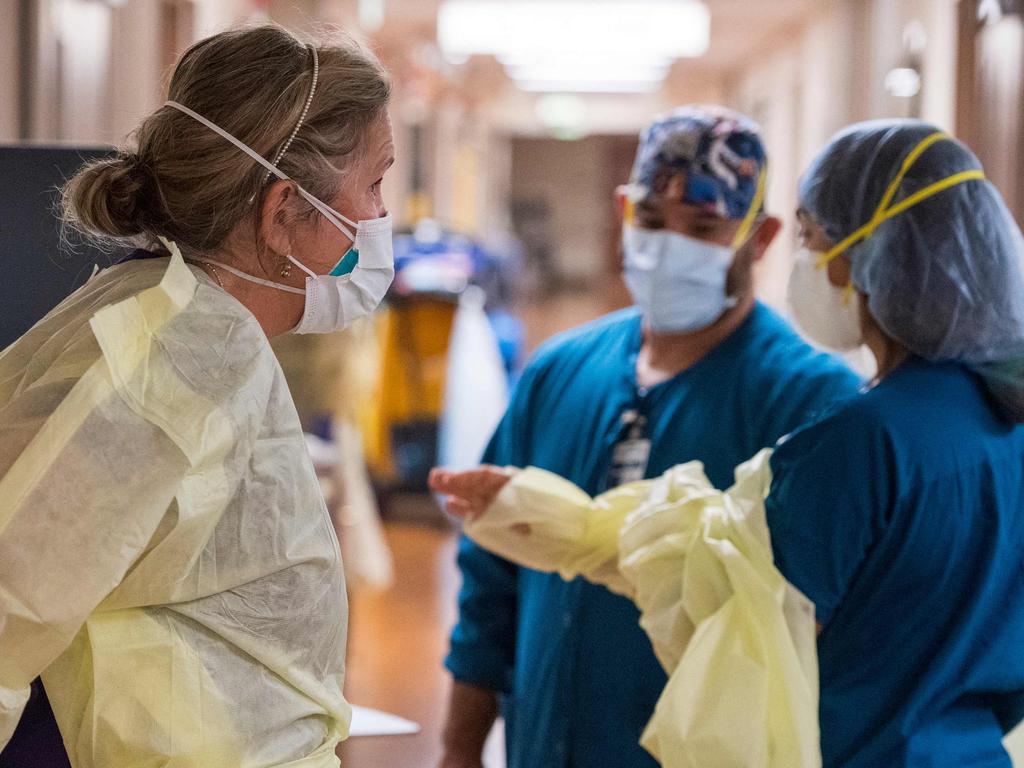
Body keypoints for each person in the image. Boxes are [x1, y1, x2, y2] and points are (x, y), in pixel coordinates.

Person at [433, 120, 1024, 767]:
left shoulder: (847, 432)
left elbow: (737, 613)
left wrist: (567, 527)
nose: (668, 248)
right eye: (652, 219)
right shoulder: (999, 423)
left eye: (812, 239)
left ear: (866, 257)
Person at [0, 24, 395, 767]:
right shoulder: (171, 358)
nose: (379, 219)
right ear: (283, 214)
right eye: (373, 184)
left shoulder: (209, 334)